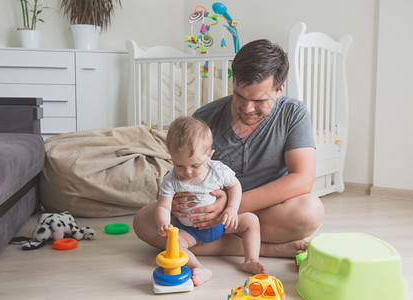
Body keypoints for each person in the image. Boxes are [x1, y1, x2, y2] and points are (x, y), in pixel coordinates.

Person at [134, 39, 324, 262]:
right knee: (144, 222)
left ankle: (231, 242)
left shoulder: (293, 113)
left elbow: (302, 179)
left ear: (280, 89)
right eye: (240, 96)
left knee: (310, 211)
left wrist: (228, 206)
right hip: (207, 214)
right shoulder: (205, 118)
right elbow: (181, 172)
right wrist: (175, 201)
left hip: (264, 210)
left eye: (259, 100)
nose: (247, 108)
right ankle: (264, 249)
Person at [155, 116, 265, 286]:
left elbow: (235, 186)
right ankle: (199, 268)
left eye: (195, 166)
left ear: (209, 155)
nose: (187, 172)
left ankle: (251, 259)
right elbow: (163, 205)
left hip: (221, 222)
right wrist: (164, 223)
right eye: (180, 166)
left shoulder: (218, 171)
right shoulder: (171, 179)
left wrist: (231, 209)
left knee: (252, 220)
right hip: (191, 230)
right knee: (172, 245)